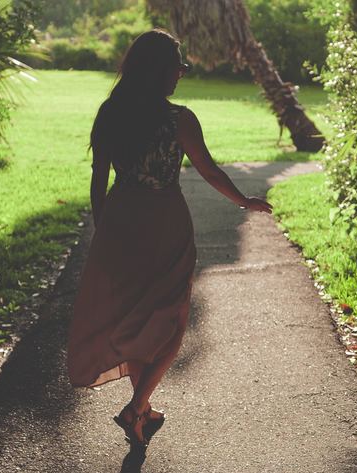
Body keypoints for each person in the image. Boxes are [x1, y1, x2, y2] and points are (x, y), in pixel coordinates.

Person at [65, 29, 272, 447]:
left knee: (139, 316)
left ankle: (141, 413)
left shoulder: (111, 113)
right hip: (164, 222)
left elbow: (99, 178)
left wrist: (104, 225)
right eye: (176, 65)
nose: (180, 72)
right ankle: (136, 405)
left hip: (121, 218)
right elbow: (209, 171)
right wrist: (244, 201)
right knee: (173, 318)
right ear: (159, 70)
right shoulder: (179, 119)